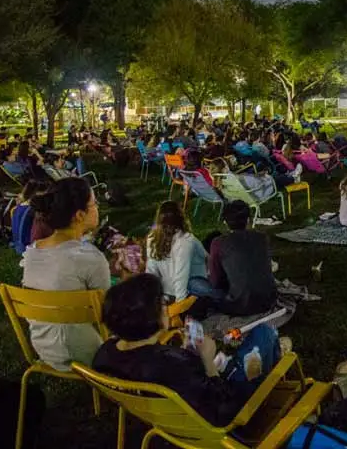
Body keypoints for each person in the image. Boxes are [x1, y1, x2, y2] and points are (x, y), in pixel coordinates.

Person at [92, 274, 280, 427]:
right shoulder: (173, 364)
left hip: (162, 417)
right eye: (162, 302)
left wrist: (184, 354)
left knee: (240, 353)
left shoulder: (104, 354)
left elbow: (170, 372)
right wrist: (207, 360)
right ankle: (268, 400)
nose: (166, 306)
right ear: (151, 316)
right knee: (265, 333)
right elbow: (223, 408)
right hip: (221, 420)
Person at [22, 178, 110, 371]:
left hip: (44, 349)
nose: (97, 208)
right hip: (88, 353)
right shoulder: (91, 258)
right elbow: (108, 315)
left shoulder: (31, 253)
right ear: (79, 215)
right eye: (94, 204)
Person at [208, 201, 277, 316]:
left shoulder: (218, 243)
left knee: (203, 290)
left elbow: (216, 281)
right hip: (269, 300)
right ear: (248, 220)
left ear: (225, 222)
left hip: (239, 305)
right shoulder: (262, 238)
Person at [146, 201, 211, 301]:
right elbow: (181, 276)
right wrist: (180, 306)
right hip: (189, 291)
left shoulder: (152, 239)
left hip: (168, 292)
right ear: (181, 217)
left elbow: (151, 272)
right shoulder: (186, 241)